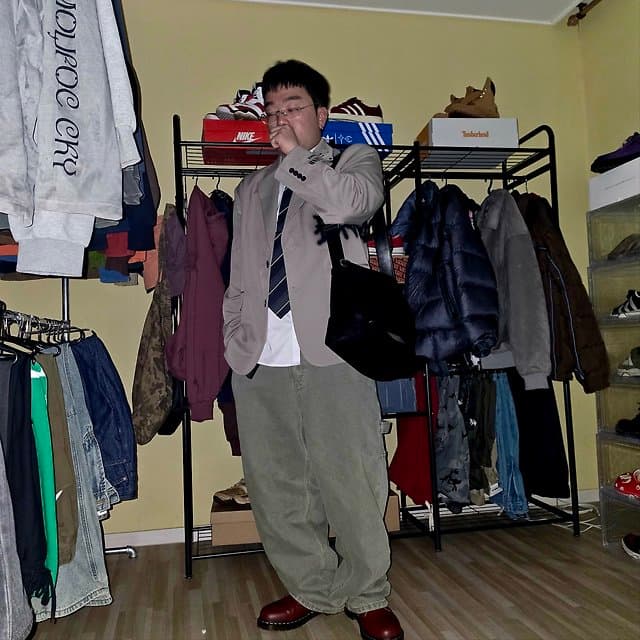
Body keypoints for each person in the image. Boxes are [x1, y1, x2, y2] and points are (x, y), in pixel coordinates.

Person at [222, 59, 404, 640]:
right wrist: (233, 332)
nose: (279, 118)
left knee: (352, 477)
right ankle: (310, 587)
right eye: (271, 111)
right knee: (278, 486)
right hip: (261, 356)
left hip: (334, 350)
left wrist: (296, 158)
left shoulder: (353, 161)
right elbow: (240, 272)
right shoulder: (249, 188)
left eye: (293, 107)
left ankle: (367, 594)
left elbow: (351, 206)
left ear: (321, 114)